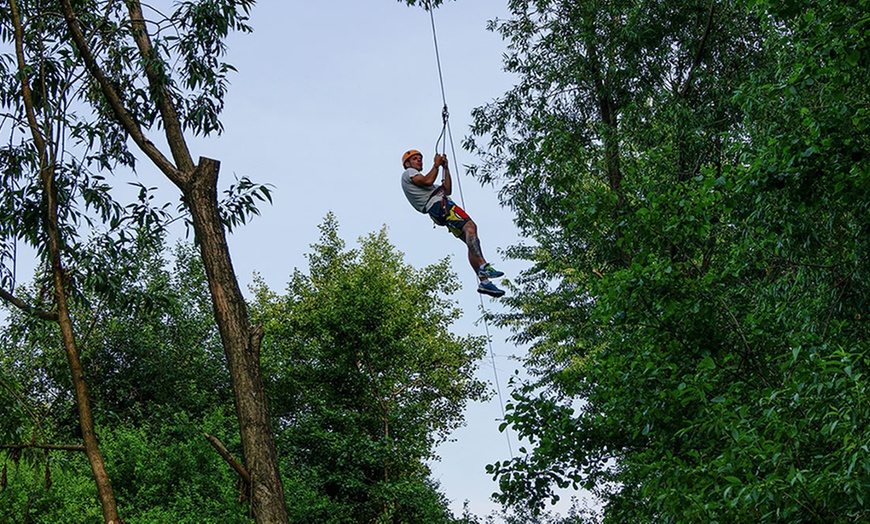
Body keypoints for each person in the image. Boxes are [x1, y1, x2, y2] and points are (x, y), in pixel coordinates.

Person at [400, 149, 505, 297]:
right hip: (441, 206)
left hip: (438, 210)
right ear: (407, 163)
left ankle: (485, 282)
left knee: (471, 240)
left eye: (420, 158)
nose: (419, 161)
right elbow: (427, 180)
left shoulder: (429, 188)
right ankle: (483, 266)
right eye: (415, 159)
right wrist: (436, 166)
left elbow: (447, 190)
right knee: (471, 226)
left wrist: (446, 168)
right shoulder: (408, 173)